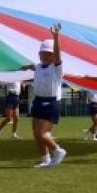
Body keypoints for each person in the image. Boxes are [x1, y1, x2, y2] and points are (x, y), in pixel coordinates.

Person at [20, 23, 67, 168]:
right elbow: (34, 66)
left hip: (50, 103)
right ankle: (45, 159)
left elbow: (58, 54)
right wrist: (25, 67)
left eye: (48, 54)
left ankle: (58, 151)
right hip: (38, 101)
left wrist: (56, 36)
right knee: (36, 133)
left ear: (54, 56)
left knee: (42, 133)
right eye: (42, 53)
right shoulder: (39, 66)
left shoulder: (57, 67)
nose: (45, 56)